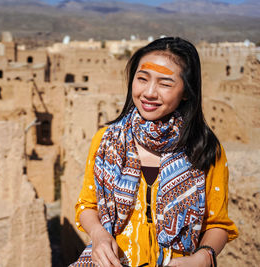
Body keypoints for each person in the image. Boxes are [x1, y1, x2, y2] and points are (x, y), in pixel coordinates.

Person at [71, 37, 238, 267]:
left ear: (187, 92)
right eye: (142, 79)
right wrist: (99, 235)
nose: (149, 92)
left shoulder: (206, 148)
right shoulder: (106, 141)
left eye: (165, 84)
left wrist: (203, 257)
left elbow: (218, 223)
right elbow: (86, 206)